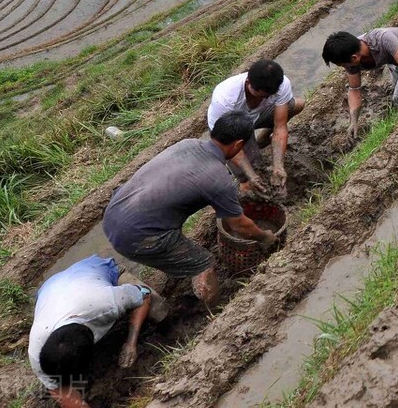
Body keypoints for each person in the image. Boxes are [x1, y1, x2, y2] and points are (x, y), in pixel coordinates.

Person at [102, 112, 277, 306]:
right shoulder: (218, 178)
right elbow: (239, 225)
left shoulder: (187, 144)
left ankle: (173, 262)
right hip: (136, 236)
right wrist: (265, 237)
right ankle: (217, 313)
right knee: (204, 264)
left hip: (114, 212)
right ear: (237, 145)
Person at [28, 256, 166, 408]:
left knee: (158, 310)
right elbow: (62, 392)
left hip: (98, 270)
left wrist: (130, 343)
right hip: (49, 289)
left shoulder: (106, 303)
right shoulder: (36, 353)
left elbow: (144, 295)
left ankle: (123, 279)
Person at [207, 59, 304, 194]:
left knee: (296, 105)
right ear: (248, 83)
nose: (264, 100)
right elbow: (228, 142)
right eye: (260, 95)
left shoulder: (281, 84)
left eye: (268, 97)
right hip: (232, 129)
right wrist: (251, 176)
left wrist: (278, 166)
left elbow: (280, 126)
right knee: (249, 179)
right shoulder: (225, 99)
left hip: (255, 117)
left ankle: (263, 138)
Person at [321, 28, 398, 134]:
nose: (345, 68)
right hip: (394, 60)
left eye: (344, 65)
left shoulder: (383, 39)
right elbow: (354, 90)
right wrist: (353, 121)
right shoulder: (351, 55)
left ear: (354, 58)